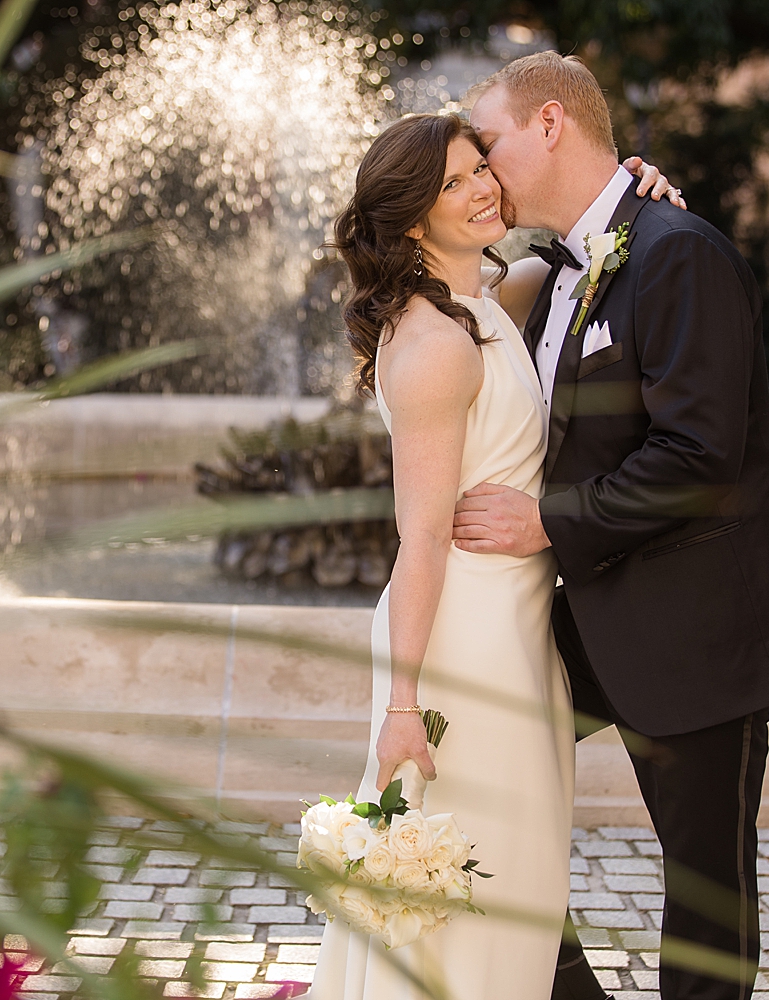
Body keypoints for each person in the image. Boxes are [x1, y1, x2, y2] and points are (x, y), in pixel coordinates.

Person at [452, 52, 769, 1000]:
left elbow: (700, 457)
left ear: (551, 124)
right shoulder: (553, 275)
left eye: (489, 143)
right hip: (595, 611)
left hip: (701, 623)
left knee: (706, 886)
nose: (481, 164)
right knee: (474, 776)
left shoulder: (679, 252)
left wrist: (544, 524)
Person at [302, 111, 682, 1000]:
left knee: (517, 879)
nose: (480, 189)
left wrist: (637, 196)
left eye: (479, 167)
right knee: (467, 891)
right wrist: (403, 702)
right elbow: (421, 538)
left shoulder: (481, 300)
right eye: (451, 185)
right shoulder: (434, 346)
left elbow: (579, 258)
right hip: (463, 647)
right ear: (408, 221)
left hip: (519, 629)